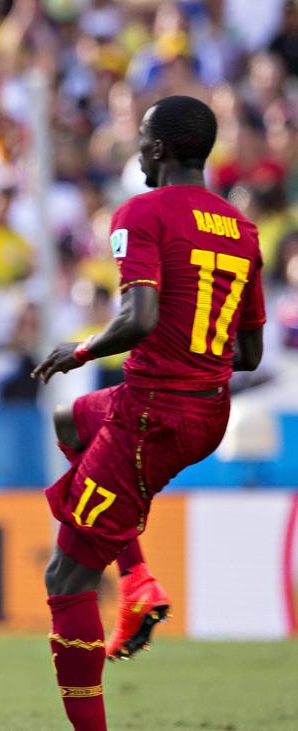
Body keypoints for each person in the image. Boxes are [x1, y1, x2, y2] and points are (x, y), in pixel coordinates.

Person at [32, 95, 266, 731]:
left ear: (159, 148)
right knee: (70, 421)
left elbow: (139, 318)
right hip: (205, 410)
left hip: (151, 416)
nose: (136, 149)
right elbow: (249, 354)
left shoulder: (142, 212)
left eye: (141, 137)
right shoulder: (241, 229)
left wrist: (81, 350)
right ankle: (136, 579)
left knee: (66, 578)